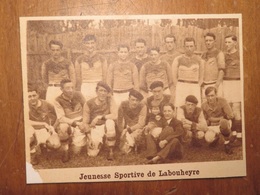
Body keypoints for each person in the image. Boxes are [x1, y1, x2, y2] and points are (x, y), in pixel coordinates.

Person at [83, 81, 117, 160]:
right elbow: (85, 123)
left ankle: (111, 150)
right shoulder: (88, 103)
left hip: (106, 126)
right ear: (96, 91)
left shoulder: (110, 100)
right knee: (92, 154)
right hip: (95, 128)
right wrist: (89, 138)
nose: (103, 93)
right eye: (101, 90)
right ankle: (102, 142)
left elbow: (115, 115)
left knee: (110, 122)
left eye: (105, 91)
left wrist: (99, 117)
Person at [54, 79, 86, 162]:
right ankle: (66, 150)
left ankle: (72, 140)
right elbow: (61, 118)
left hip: (81, 122)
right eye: (68, 88)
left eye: (72, 87)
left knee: (76, 152)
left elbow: (86, 109)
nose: (71, 90)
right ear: (62, 89)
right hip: (69, 123)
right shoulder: (57, 100)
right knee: (63, 127)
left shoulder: (78, 95)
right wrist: (75, 123)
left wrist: (84, 123)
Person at [27, 85, 60, 165]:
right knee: (29, 137)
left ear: (38, 95)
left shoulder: (46, 104)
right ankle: (33, 154)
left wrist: (53, 128)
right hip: (32, 130)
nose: (32, 98)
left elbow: (58, 116)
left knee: (55, 144)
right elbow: (25, 121)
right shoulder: (25, 105)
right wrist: (43, 123)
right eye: (29, 96)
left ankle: (45, 147)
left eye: (34, 95)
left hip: (45, 130)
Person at [201, 87, 235, 154]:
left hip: (224, 123)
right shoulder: (203, 105)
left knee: (223, 122)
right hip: (212, 125)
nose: (210, 98)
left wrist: (215, 119)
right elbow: (206, 120)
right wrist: (218, 118)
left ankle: (227, 143)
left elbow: (231, 115)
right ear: (205, 96)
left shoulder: (222, 101)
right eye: (208, 96)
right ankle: (216, 138)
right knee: (208, 138)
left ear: (216, 94)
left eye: (212, 95)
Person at [172, 37, 204, 107]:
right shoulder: (178, 59)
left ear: (194, 47)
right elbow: (174, 77)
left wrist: (197, 86)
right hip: (181, 85)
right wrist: (178, 86)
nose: (189, 49)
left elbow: (201, 77)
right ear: (184, 47)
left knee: (195, 107)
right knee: (180, 106)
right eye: (187, 46)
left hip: (194, 86)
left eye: (191, 46)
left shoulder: (199, 60)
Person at [75, 34, 108, 100]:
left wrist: (103, 89)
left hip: (99, 86)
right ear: (84, 44)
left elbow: (105, 77)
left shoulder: (102, 59)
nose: (90, 46)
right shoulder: (79, 60)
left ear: (96, 44)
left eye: (92, 43)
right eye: (87, 43)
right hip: (85, 87)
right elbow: (78, 78)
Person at [223, 35, 242, 145]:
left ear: (235, 43)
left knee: (236, 108)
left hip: (236, 82)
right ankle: (233, 134)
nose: (227, 44)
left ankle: (239, 136)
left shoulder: (240, 54)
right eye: (225, 42)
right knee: (229, 109)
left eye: (229, 42)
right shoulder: (224, 55)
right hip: (226, 82)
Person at [118, 89, 147, 154]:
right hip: (127, 127)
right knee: (124, 150)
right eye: (133, 100)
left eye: (137, 100)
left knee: (137, 135)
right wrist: (121, 131)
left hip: (137, 128)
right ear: (129, 99)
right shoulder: (123, 104)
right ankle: (128, 143)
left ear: (139, 101)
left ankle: (137, 145)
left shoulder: (143, 106)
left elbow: (141, 124)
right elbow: (119, 120)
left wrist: (128, 130)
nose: (135, 102)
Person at [201, 32, 225, 101]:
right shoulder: (203, 55)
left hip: (215, 84)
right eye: (206, 41)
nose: (208, 42)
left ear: (215, 41)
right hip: (205, 85)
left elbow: (221, 71)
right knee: (206, 106)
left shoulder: (219, 53)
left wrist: (216, 86)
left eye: (210, 40)